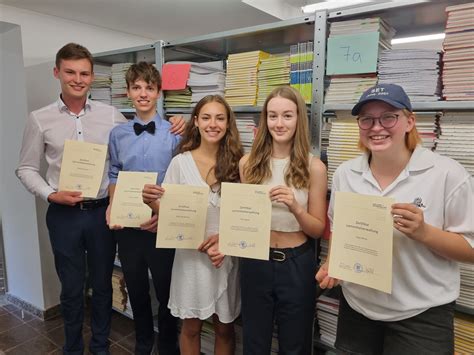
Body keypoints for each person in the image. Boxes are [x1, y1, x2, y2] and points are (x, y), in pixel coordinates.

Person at [16, 43, 184, 355]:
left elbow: (144, 161)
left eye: (84, 73)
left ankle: (101, 347)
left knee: (106, 285)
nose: (77, 79)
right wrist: (51, 193)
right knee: (72, 287)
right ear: (58, 73)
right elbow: (26, 168)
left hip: (104, 214)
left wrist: (179, 121)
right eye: (70, 72)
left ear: (93, 77)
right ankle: (72, 348)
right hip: (66, 214)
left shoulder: (112, 117)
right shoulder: (40, 119)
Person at [316, 83, 474, 355]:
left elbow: (471, 250)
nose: (377, 127)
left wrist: (424, 232)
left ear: (409, 121)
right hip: (358, 309)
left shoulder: (447, 174)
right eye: (367, 119)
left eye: (389, 116)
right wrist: (333, 264)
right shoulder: (346, 174)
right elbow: (342, 232)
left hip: (421, 315)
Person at [142, 95, 243, 355]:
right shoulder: (180, 163)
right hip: (190, 258)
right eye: (206, 117)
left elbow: (244, 217)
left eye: (220, 118)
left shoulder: (239, 163)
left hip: (225, 256)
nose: (213, 124)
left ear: (228, 123)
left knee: (225, 329)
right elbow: (171, 216)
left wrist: (227, 242)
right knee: (191, 328)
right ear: (195, 122)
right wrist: (152, 204)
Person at [239, 86, 327, 354]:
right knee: (254, 341)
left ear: (299, 119)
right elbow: (244, 220)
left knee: (295, 344)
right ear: (264, 120)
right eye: (272, 116)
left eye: (287, 116)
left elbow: (317, 230)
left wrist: (295, 207)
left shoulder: (314, 167)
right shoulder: (248, 164)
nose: (279, 123)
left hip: (296, 264)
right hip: (255, 260)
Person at [107, 62, 183, 355]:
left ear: (158, 92)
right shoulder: (118, 135)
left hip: (162, 225)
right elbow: (114, 174)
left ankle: (167, 346)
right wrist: (113, 206)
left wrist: (163, 214)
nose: (143, 93)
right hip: (128, 227)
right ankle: (142, 343)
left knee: (166, 291)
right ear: (128, 92)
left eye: (149, 88)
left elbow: (181, 178)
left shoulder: (175, 132)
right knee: (137, 289)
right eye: (136, 87)